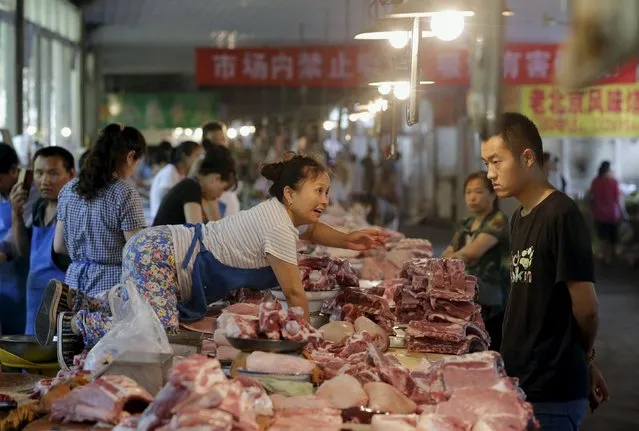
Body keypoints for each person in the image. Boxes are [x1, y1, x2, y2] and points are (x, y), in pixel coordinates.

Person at [36, 154, 386, 368]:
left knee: (147, 316)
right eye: (318, 191)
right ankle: (77, 325)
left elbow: (310, 232)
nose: (325, 199)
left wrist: (347, 239)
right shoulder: (278, 225)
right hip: (160, 254)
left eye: (327, 191)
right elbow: (295, 296)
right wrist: (305, 346)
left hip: (162, 249)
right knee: (158, 333)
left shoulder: (280, 215)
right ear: (291, 194)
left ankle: (78, 301)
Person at [481, 112, 609, 430]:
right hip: (522, 381)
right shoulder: (520, 217)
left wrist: (586, 359)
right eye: (486, 163)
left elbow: (587, 308)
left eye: (496, 161)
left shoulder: (562, 214)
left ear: (527, 157)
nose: (489, 174)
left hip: (551, 392)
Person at [51, 124, 147, 300]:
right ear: (130, 156)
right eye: (137, 164)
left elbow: (58, 246)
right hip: (111, 288)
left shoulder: (68, 189)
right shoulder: (125, 193)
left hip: (73, 284)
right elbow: (137, 251)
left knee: (73, 327)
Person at [9, 147, 74, 334]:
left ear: (70, 174)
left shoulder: (74, 210)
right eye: (39, 173)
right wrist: (16, 213)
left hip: (62, 303)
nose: (45, 181)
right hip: (35, 299)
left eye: (53, 173)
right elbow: (26, 252)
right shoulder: (39, 207)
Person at [442, 171, 509, 350]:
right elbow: (447, 253)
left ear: (493, 194)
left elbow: (472, 253)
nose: (472, 197)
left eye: (479, 192)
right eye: (468, 192)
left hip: (492, 301)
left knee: (490, 349)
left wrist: (453, 258)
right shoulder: (465, 223)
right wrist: (451, 257)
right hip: (468, 299)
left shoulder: (498, 221)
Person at [0, 143, 35, 334]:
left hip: (21, 279)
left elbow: (14, 239)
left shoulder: (32, 196)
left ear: (14, 171)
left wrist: (3, 252)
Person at [153, 145, 236, 226]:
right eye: (222, 189)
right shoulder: (191, 187)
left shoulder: (192, 186)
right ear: (215, 179)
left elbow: (217, 230)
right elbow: (197, 234)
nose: (219, 195)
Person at [149, 141, 204, 220]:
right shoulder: (170, 172)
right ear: (184, 156)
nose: (199, 161)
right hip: (163, 223)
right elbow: (172, 203)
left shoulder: (181, 174)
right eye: (197, 155)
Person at [202, 121, 240, 217]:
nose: (221, 144)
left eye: (223, 139)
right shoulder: (202, 166)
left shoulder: (228, 162)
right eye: (215, 140)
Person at [590, 161, 625, 266]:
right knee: (611, 238)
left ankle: (603, 255)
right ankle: (608, 259)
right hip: (612, 215)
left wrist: (592, 212)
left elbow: (592, 198)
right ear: (608, 170)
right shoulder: (614, 182)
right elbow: (618, 199)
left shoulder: (595, 182)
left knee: (602, 237)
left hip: (599, 214)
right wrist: (623, 213)